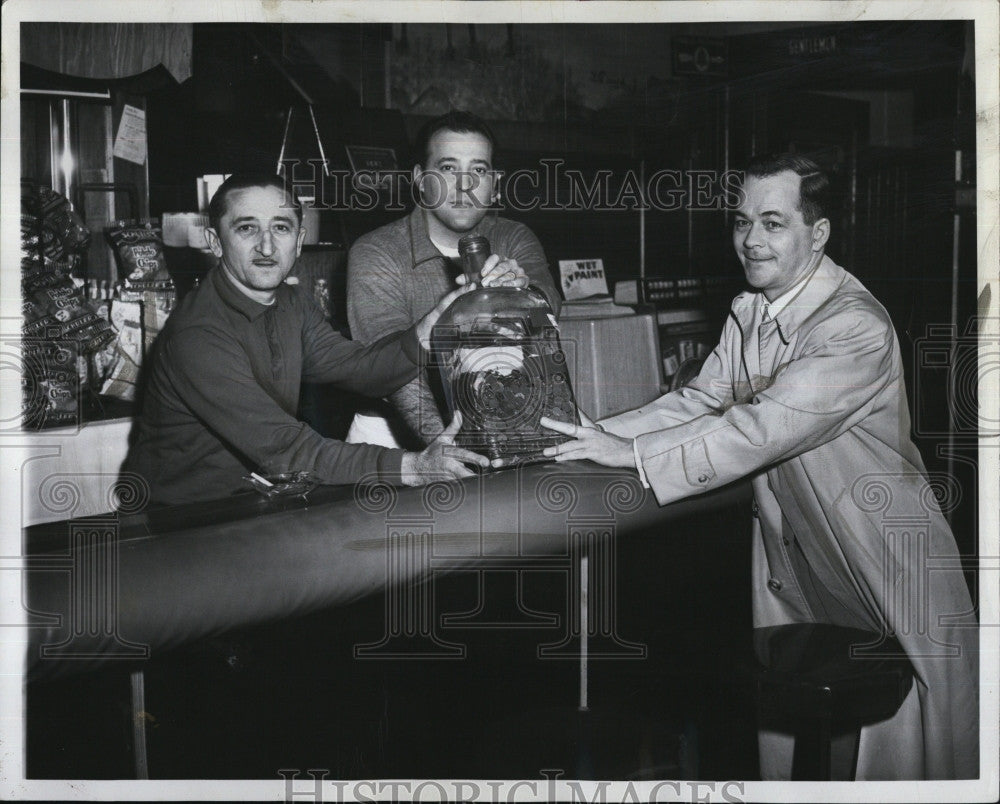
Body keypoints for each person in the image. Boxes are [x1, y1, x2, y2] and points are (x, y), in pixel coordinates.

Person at [540, 154, 978, 780]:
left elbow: (759, 428)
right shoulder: (752, 311)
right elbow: (700, 398)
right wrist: (599, 434)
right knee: (810, 750)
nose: (750, 240)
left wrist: (634, 455)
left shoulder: (855, 325)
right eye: (743, 221)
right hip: (805, 556)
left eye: (773, 223)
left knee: (907, 745)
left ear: (817, 233)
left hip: (882, 556)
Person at [124, 173, 488, 506]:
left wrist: (429, 331)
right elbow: (288, 449)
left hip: (252, 499)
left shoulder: (290, 302)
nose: (266, 247)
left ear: (298, 242)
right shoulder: (199, 335)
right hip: (177, 521)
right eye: (247, 228)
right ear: (214, 242)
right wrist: (413, 467)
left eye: (280, 228)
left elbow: (359, 369)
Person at [346, 109, 561, 448]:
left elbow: (547, 317)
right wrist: (447, 448)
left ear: (495, 183)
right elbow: (394, 370)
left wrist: (526, 296)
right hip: (393, 439)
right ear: (419, 178)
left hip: (505, 420)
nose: (465, 185)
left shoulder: (515, 238)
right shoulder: (377, 251)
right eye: (448, 168)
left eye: (479, 169)